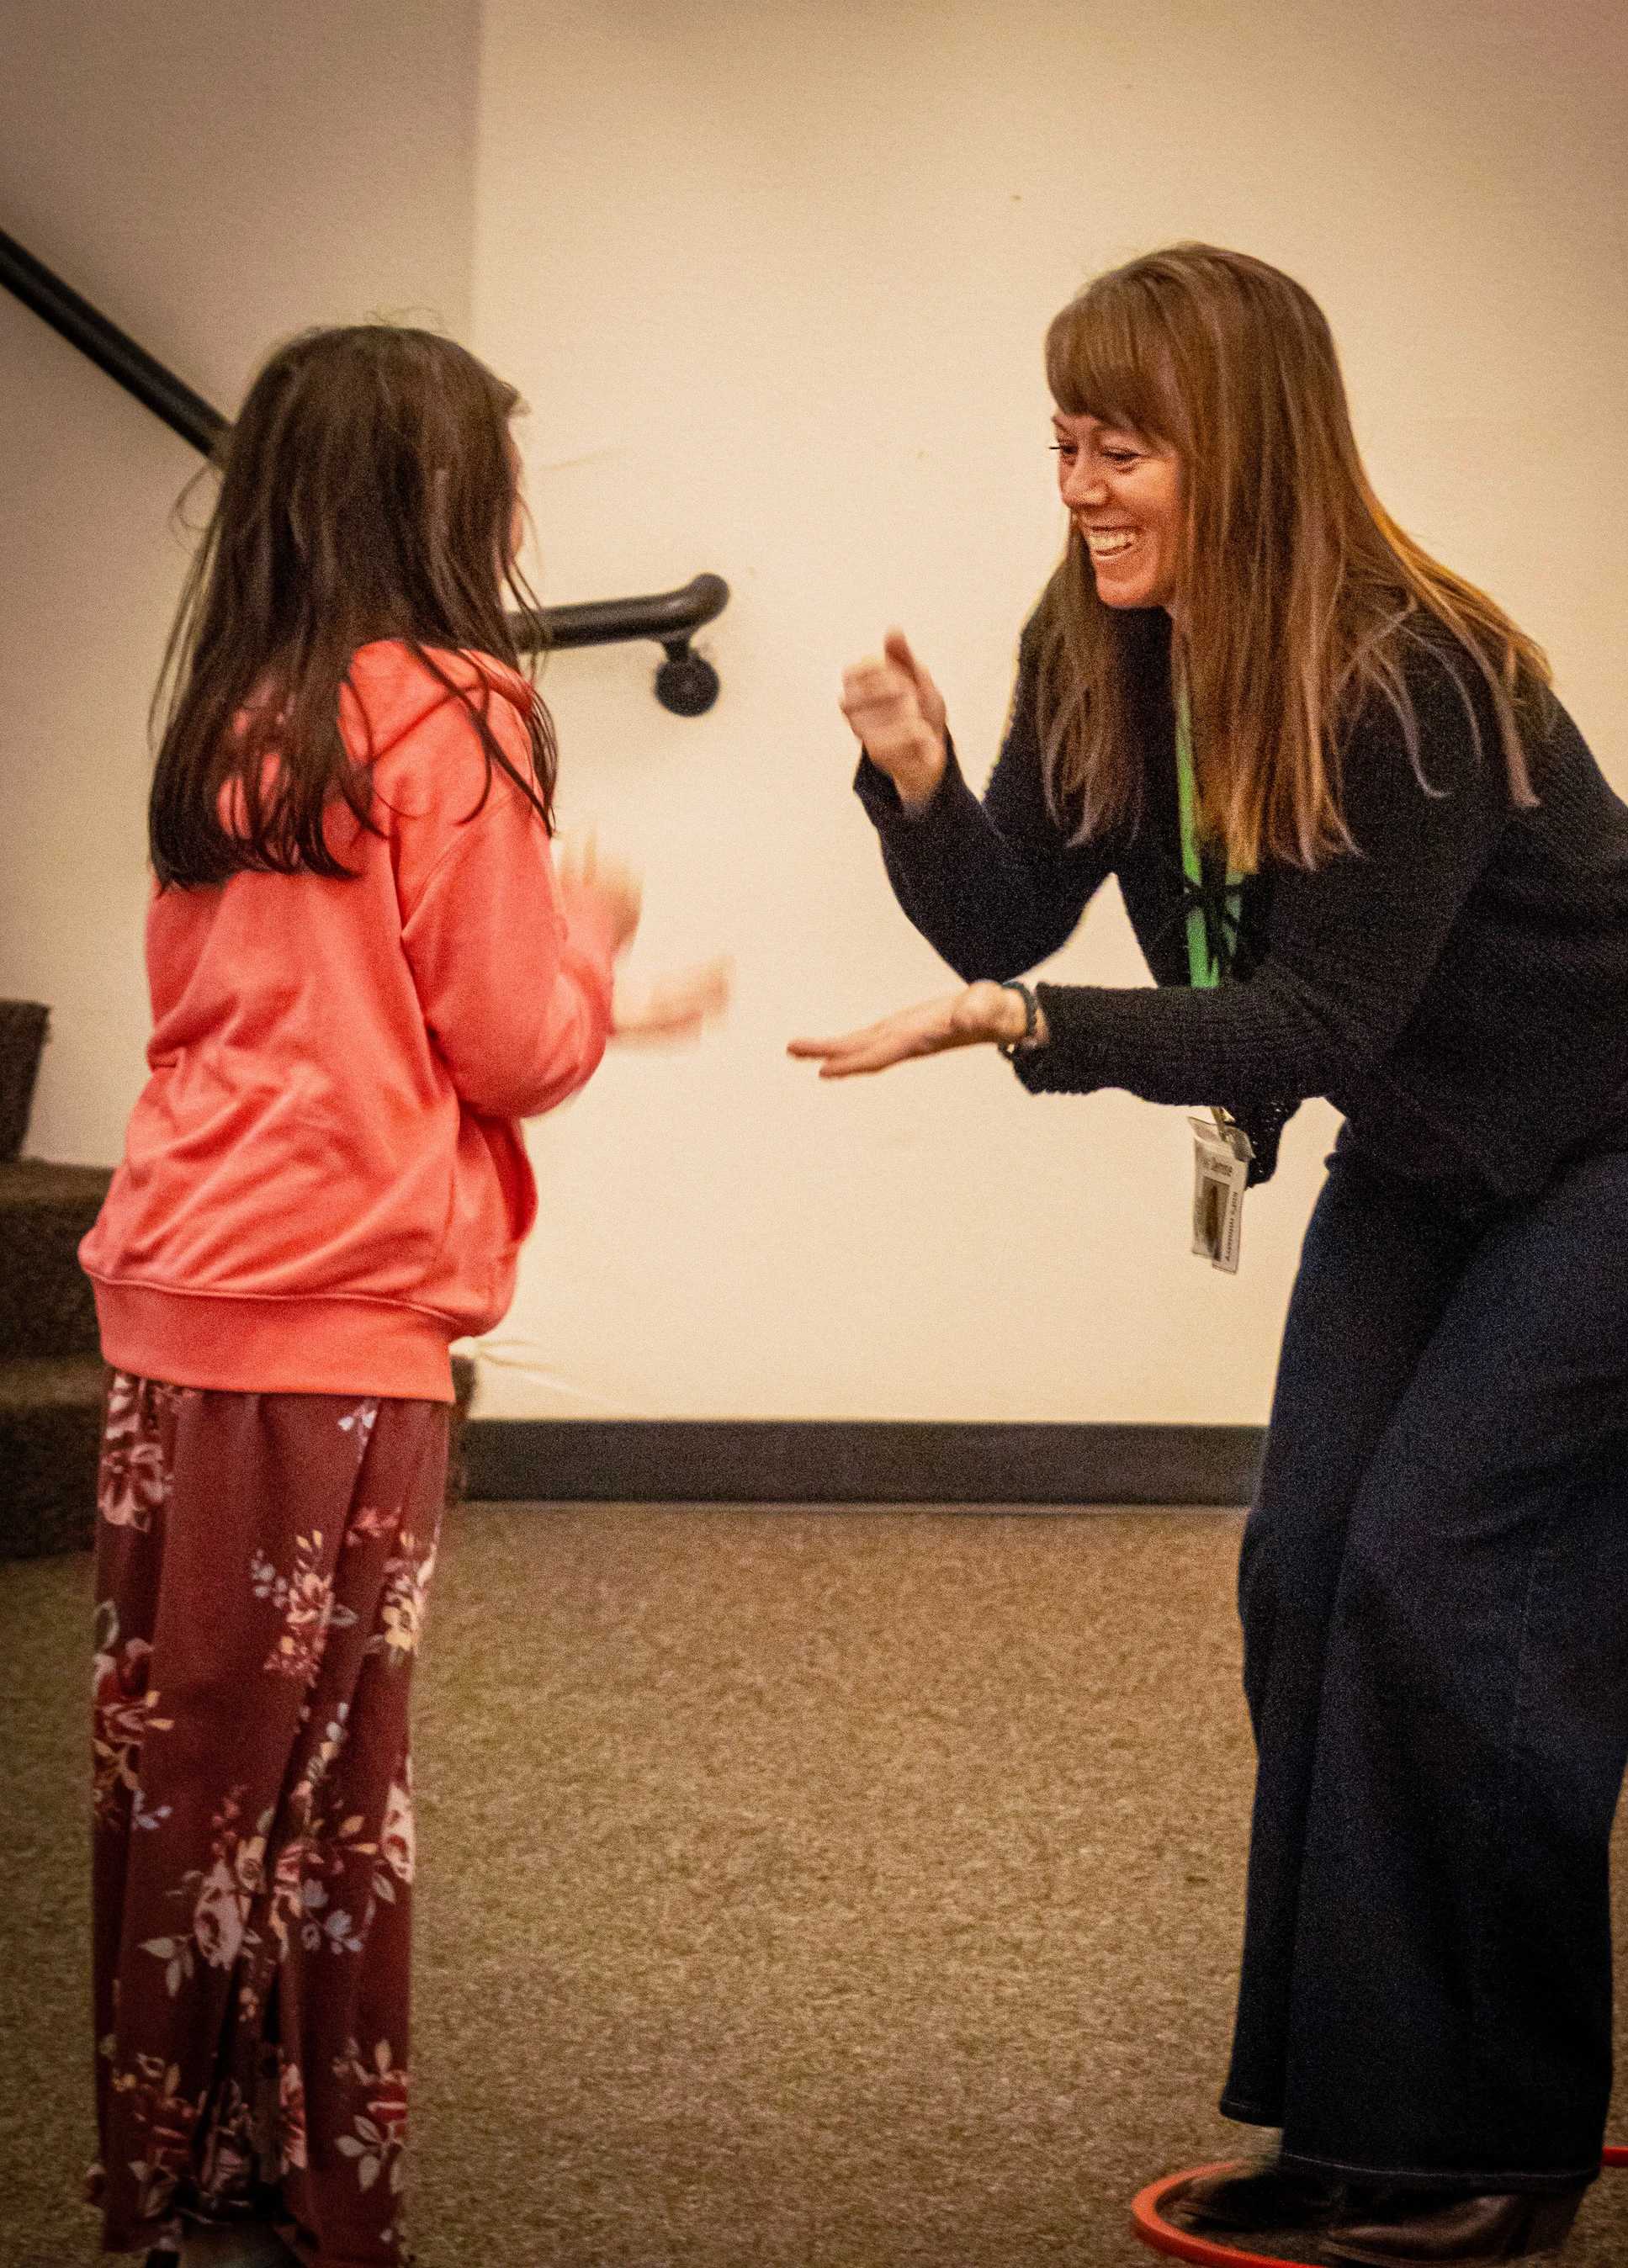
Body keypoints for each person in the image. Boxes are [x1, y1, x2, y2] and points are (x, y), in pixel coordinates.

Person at [792, 245, 1628, 2265]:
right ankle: (1361, 2125)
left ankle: (1499, 2154)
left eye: (1123, 445)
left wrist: (1031, 1033)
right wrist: (914, 785)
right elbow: (1008, 904)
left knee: (1445, 1579)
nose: (1082, 486)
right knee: (1302, 1566)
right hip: (1444, 1149)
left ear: (1239, 453)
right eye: (1064, 441)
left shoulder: (1404, 669)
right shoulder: (1093, 630)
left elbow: (1302, 1028)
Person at [79, 324, 727, 2268]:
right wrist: (598, 958)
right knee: (325, 1779)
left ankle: (168, 2172)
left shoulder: (242, 711)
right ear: (446, 501)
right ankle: (300, 2191)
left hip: (172, 1307)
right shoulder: (453, 712)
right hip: (335, 1328)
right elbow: (511, 1037)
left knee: (177, 1758)